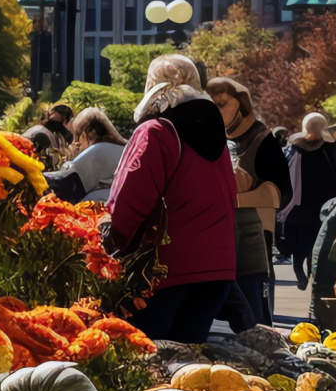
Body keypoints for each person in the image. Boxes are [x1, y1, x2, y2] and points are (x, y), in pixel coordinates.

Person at [102, 54, 238, 342]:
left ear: (153, 87)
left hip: (163, 269)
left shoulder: (157, 131)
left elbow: (130, 199)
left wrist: (109, 245)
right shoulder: (218, 137)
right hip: (217, 269)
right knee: (186, 366)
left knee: (146, 362)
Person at [209, 77, 290, 330]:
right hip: (223, 236)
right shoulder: (217, 140)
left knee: (254, 311)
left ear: (241, 104)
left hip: (256, 237)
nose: (216, 112)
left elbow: (279, 194)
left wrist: (230, 199)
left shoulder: (262, 140)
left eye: (221, 104)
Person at [278, 113, 336, 286]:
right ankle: (314, 275)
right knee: (317, 242)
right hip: (326, 203)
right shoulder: (335, 148)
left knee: (300, 245)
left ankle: (300, 272)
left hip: (299, 204)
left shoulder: (294, 148)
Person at [44, 107, 126, 202]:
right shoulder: (122, 150)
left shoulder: (98, 150)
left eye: (78, 135)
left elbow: (67, 180)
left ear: (91, 133)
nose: (76, 142)